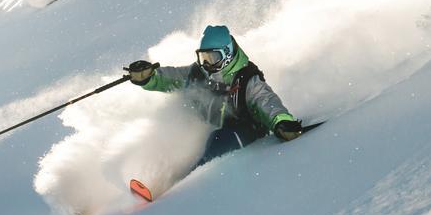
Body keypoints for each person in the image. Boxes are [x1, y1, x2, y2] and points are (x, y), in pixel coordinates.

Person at [126, 25, 302, 166]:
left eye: (212, 57)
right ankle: (160, 179)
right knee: (177, 133)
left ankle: (189, 182)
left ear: (227, 54)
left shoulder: (247, 78)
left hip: (242, 131)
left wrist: (281, 121)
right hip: (209, 127)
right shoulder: (199, 73)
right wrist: (149, 77)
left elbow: (265, 100)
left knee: (220, 139)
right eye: (204, 58)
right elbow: (172, 78)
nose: (207, 64)